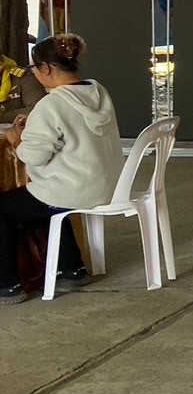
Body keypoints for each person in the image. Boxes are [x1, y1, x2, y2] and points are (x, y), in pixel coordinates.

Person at [0, 35, 124, 305]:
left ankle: (7, 286)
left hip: (74, 189)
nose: (34, 74)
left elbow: (34, 157)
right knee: (37, 200)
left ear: (45, 68)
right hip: (111, 184)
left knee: (8, 206)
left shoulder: (51, 104)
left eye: (34, 68)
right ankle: (71, 268)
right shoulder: (98, 91)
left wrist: (17, 140)